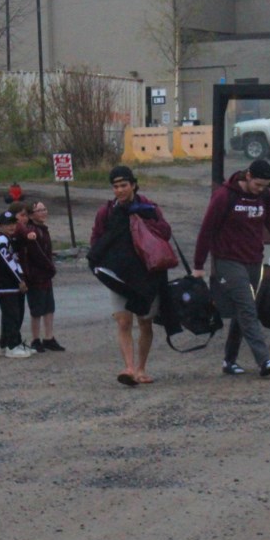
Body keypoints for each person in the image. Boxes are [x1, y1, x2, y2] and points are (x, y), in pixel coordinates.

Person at [192, 159, 270, 378]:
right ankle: (264, 360)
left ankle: (229, 361)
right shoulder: (225, 196)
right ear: (248, 176)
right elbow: (207, 229)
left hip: (253, 260)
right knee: (247, 306)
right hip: (227, 261)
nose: (260, 190)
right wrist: (198, 265)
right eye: (258, 185)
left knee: (242, 311)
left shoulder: (264, 197)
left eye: (264, 186)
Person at [88, 165, 171, 387]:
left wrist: (143, 221)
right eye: (115, 187)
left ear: (133, 184)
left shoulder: (149, 208)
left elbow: (165, 233)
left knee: (145, 322)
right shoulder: (106, 212)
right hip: (119, 275)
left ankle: (142, 368)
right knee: (123, 321)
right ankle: (129, 368)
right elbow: (97, 238)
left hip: (146, 275)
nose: (119, 190)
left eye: (123, 185)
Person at [0, 210, 33, 359]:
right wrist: (19, 279)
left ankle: (3, 344)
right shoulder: (0, 240)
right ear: (0, 225)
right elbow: (8, 262)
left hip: (11, 284)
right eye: (7, 224)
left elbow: (15, 260)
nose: (11, 227)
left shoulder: (9, 239)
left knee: (13, 314)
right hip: (5, 284)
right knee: (12, 315)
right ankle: (12, 346)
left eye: (13, 224)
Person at [26, 199, 64, 353]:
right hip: (36, 275)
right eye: (39, 210)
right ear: (31, 214)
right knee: (37, 309)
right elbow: (37, 254)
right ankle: (35, 338)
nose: (43, 212)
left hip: (45, 274)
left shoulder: (43, 229)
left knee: (49, 306)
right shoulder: (32, 231)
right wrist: (50, 266)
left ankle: (49, 337)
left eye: (44, 209)